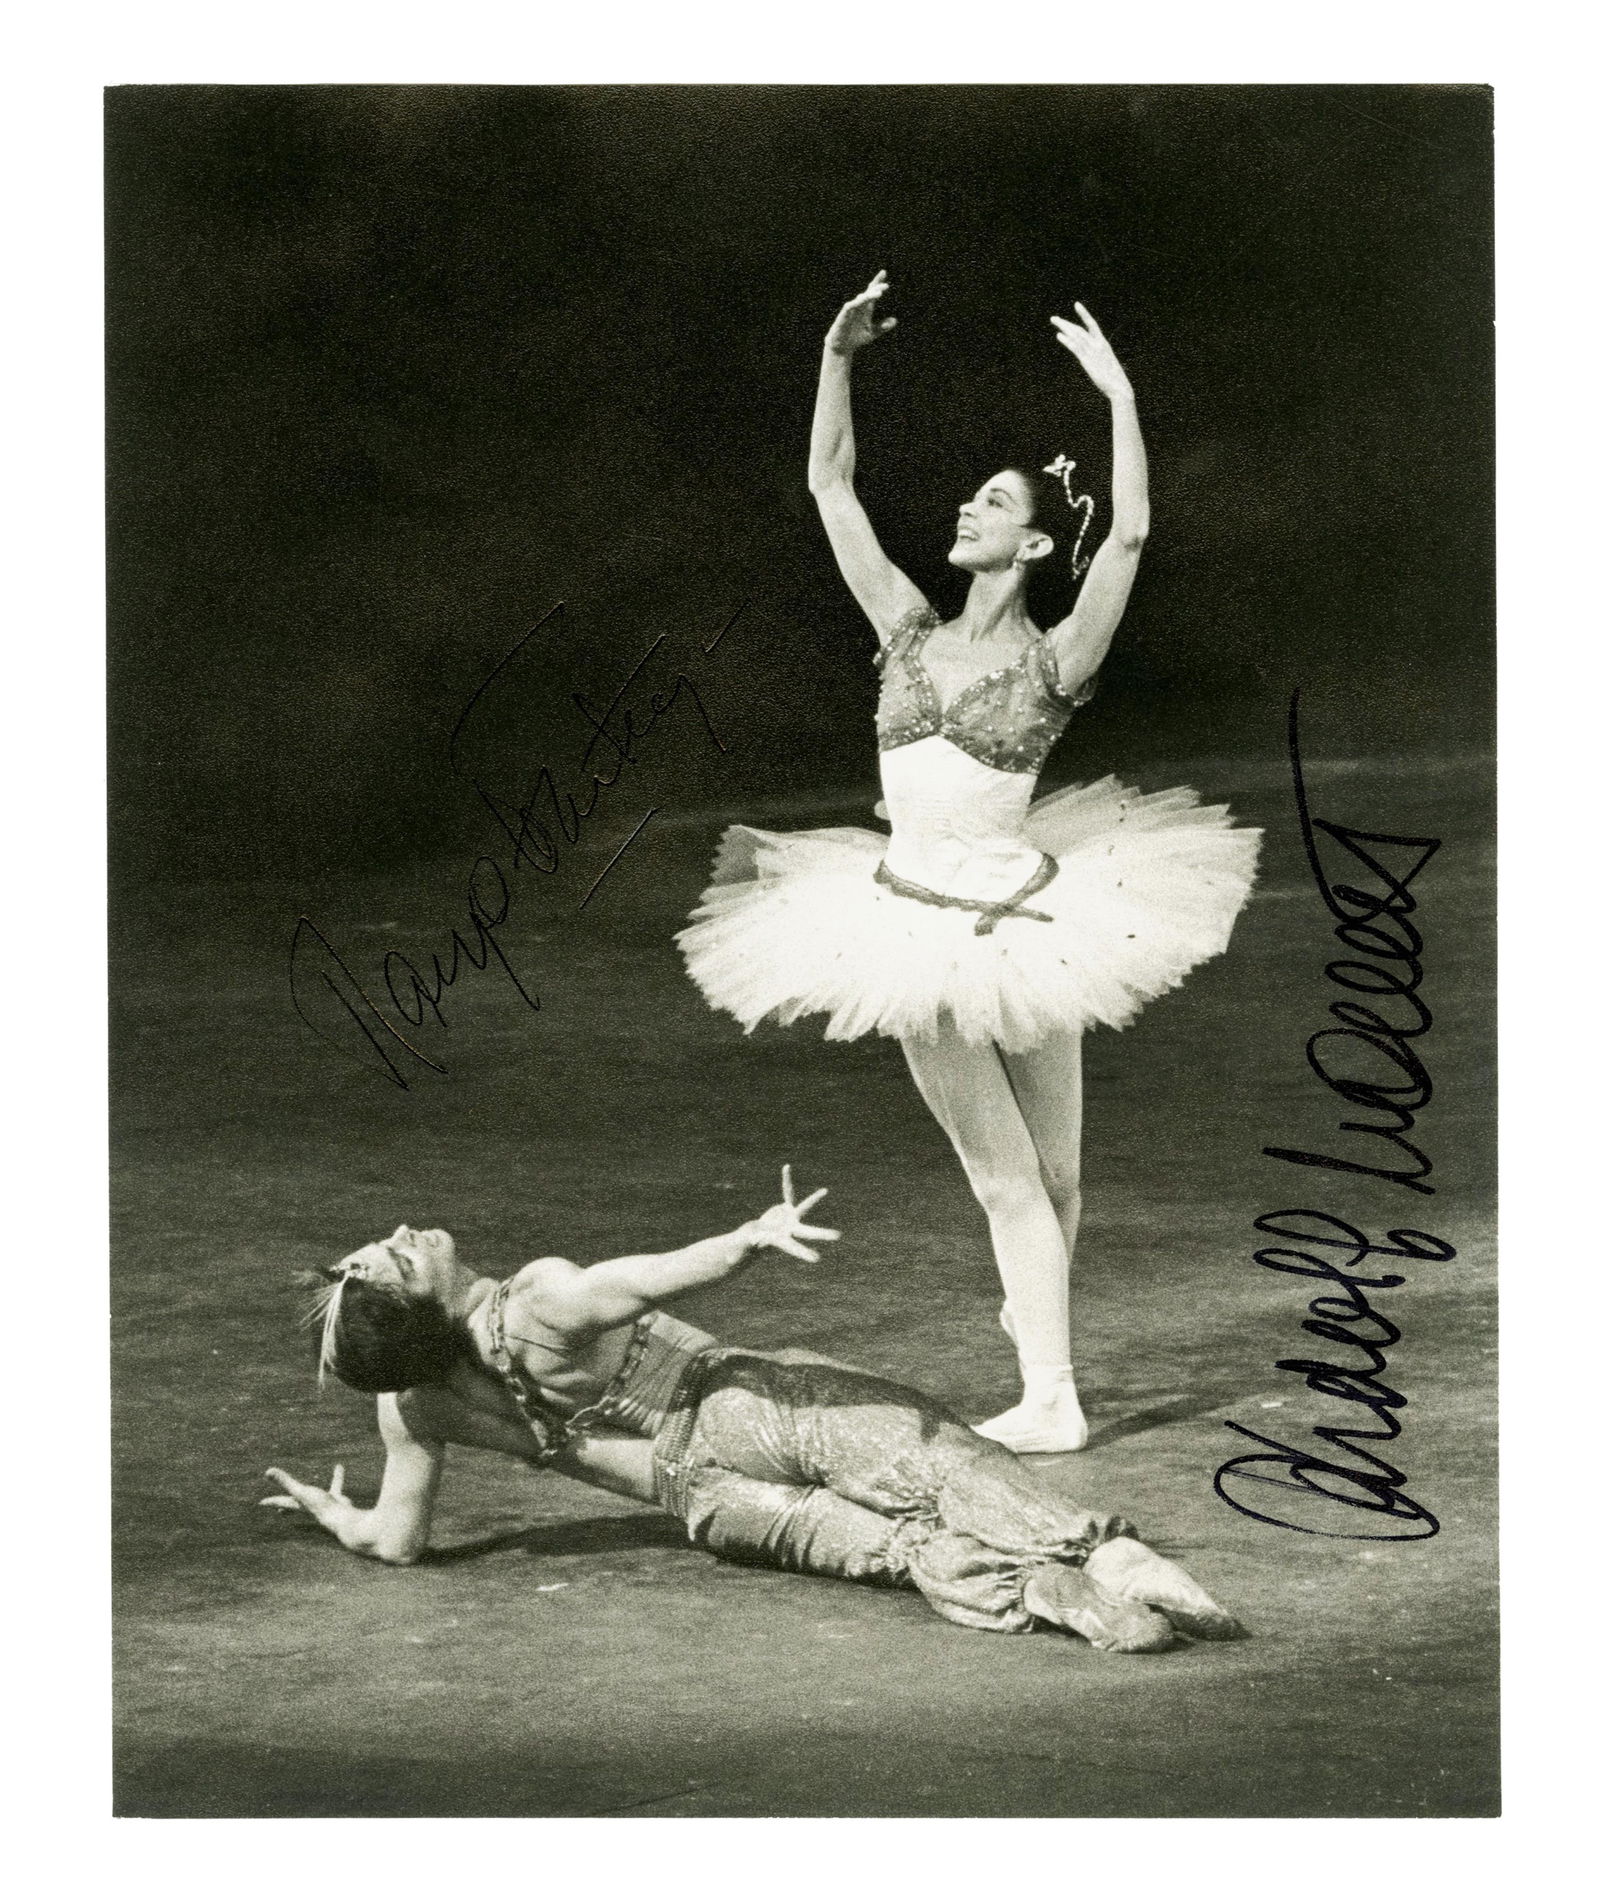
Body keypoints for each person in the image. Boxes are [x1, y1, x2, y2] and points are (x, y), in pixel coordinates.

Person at [676, 275, 1262, 1451]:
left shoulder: (1055, 659)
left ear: (1033, 541)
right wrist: (834, 357)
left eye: (992, 502)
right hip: (906, 921)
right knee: (1008, 1182)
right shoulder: (902, 625)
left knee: (1056, 1178)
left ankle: (1042, 1361)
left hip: (1034, 916)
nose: (966, 507)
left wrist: (1120, 400)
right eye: (970, 495)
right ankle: (1050, 1392)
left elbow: (1133, 531)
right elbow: (829, 485)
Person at [263, 1172, 1243, 1655]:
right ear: (429, 1303)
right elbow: (643, 1277)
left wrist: (333, 1515)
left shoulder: (414, 1406)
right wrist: (749, 1237)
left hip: (708, 1507)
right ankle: (1108, 1559)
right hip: (737, 1406)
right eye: (400, 1256)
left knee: (897, 1545)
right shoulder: (537, 1295)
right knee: (938, 1458)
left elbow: (396, 1541)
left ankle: (1034, 1593)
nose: (402, 1232)